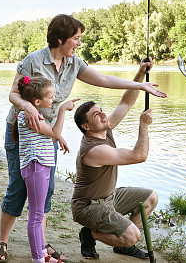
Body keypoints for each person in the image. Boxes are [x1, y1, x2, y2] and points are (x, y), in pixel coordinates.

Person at [0, 13, 166, 262]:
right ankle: (2, 241)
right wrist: (27, 106)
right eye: (76, 38)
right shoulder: (33, 61)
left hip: (49, 134)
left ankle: (40, 243)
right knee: (18, 188)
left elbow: (105, 80)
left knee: (47, 190)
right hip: (23, 134)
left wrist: (140, 83)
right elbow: (13, 94)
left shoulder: (75, 64)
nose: (79, 43)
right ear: (60, 39)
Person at [71, 60, 158, 260]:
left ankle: (122, 246)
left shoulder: (104, 130)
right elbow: (139, 156)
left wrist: (140, 75)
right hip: (88, 207)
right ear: (86, 126)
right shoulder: (94, 150)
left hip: (108, 198)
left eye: (101, 110)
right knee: (132, 236)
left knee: (150, 198)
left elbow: (126, 102)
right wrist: (143, 126)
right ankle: (89, 234)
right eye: (96, 114)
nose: (103, 114)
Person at [11, 75, 76, 263]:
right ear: (37, 101)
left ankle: (42, 253)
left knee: (38, 215)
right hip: (36, 166)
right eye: (51, 96)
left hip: (40, 166)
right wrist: (63, 109)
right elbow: (54, 133)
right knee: (36, 215)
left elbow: (50, 135)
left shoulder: (34, 115)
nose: (54, 99)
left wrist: (59, 138)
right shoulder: (30, 117)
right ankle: (38, 258)